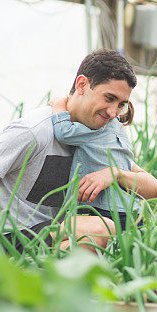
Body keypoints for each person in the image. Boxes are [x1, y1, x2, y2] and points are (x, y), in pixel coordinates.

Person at [0, 49, 157, 254]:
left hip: (54, 236)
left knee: (156, 248)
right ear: (82, 85)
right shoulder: (35, 130)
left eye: (121, 105)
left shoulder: (98, 134)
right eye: (109, 98)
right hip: (9, 237)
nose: (112, 113)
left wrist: (115, 173)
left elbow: (155, 190)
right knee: (100, 229)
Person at [50, 94, 139, 230]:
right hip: (130, 208)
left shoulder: (99, 126)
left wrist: (59, 105)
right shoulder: (116, 125)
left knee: (99, 245)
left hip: (108, 208)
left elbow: (64, 133)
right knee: (125, 249)